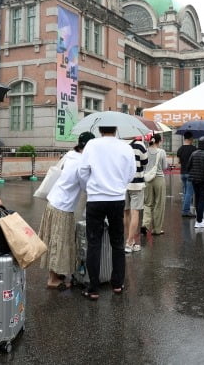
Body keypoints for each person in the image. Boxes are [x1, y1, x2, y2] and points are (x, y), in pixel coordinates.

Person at [78, 125, 136, 300]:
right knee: (117, 242)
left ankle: (93, 287)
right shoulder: (125, 147)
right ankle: (117, 284)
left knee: (93, 243)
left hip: (95, 199)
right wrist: (118, 185)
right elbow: (131, 174)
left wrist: (91, 185)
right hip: (117, 199)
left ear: (100, 130)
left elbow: (82, 172)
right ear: (116, 129)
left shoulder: (92, 145)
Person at [39, 132, 95, 289]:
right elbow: (86, 186)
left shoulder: (71, 155)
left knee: (54, 239)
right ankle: (52, 279)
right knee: (59, 241)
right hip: (62, 207)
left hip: (53, 203)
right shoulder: (81, 164)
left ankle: (56, 274)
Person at [124, 136, 148, 253]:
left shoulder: (120, 144)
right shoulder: (139, 145)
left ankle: (130, 240)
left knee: (126, 212)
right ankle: (129, 242)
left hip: (123, 184)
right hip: (137, 184)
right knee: (135, 212)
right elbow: (145, 162)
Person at [142, 134, 168, 236]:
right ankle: (157, 229)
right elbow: (165, 167)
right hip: (159, 179)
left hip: (147, 179)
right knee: (159, 203)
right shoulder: (161, 152)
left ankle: (145, 224)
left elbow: (143, 165)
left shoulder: (145, 151)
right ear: (159, 141)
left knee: (148, 203)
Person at [176, 131, 196, 217]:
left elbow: (179, 162)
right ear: (191, 138)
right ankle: (186, 211)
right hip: (190, 173)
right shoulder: (194, 149)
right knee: (189, 192)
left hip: (182, 173)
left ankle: (185, 208)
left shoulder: (180, 149)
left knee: (185, 192)